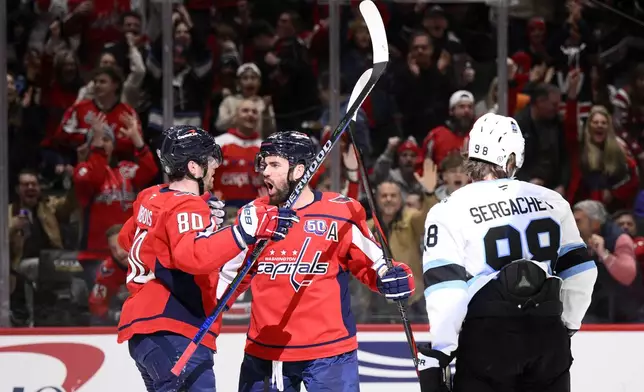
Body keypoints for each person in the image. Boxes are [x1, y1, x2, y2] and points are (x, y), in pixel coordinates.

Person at [417, 113, 598, 392]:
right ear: (513, 157)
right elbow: (582, 271)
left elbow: (447, 288)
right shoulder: (552, 200)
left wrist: (443, 349)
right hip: (547, 333)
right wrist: (566, 325)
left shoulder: (449, 208)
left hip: (488, 338)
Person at [226, 131, 416, 392]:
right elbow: (228, 279)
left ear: (299, 170)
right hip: (268, 354)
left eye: (274, 165)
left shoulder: (340, 211)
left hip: (331, 353)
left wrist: (393, 277)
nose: (265, 172)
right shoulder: (254, 216)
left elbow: (375, 263)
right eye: (264, 164)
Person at [116, 125, 299, 392]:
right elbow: (193, 257)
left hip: (144, 333)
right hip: (175, 327)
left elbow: (126, 239)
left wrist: (199, 226)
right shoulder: (186, 205)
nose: (215, 168)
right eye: (209, 161)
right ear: (193, 167)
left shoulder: (151, 196)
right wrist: (241, 232)